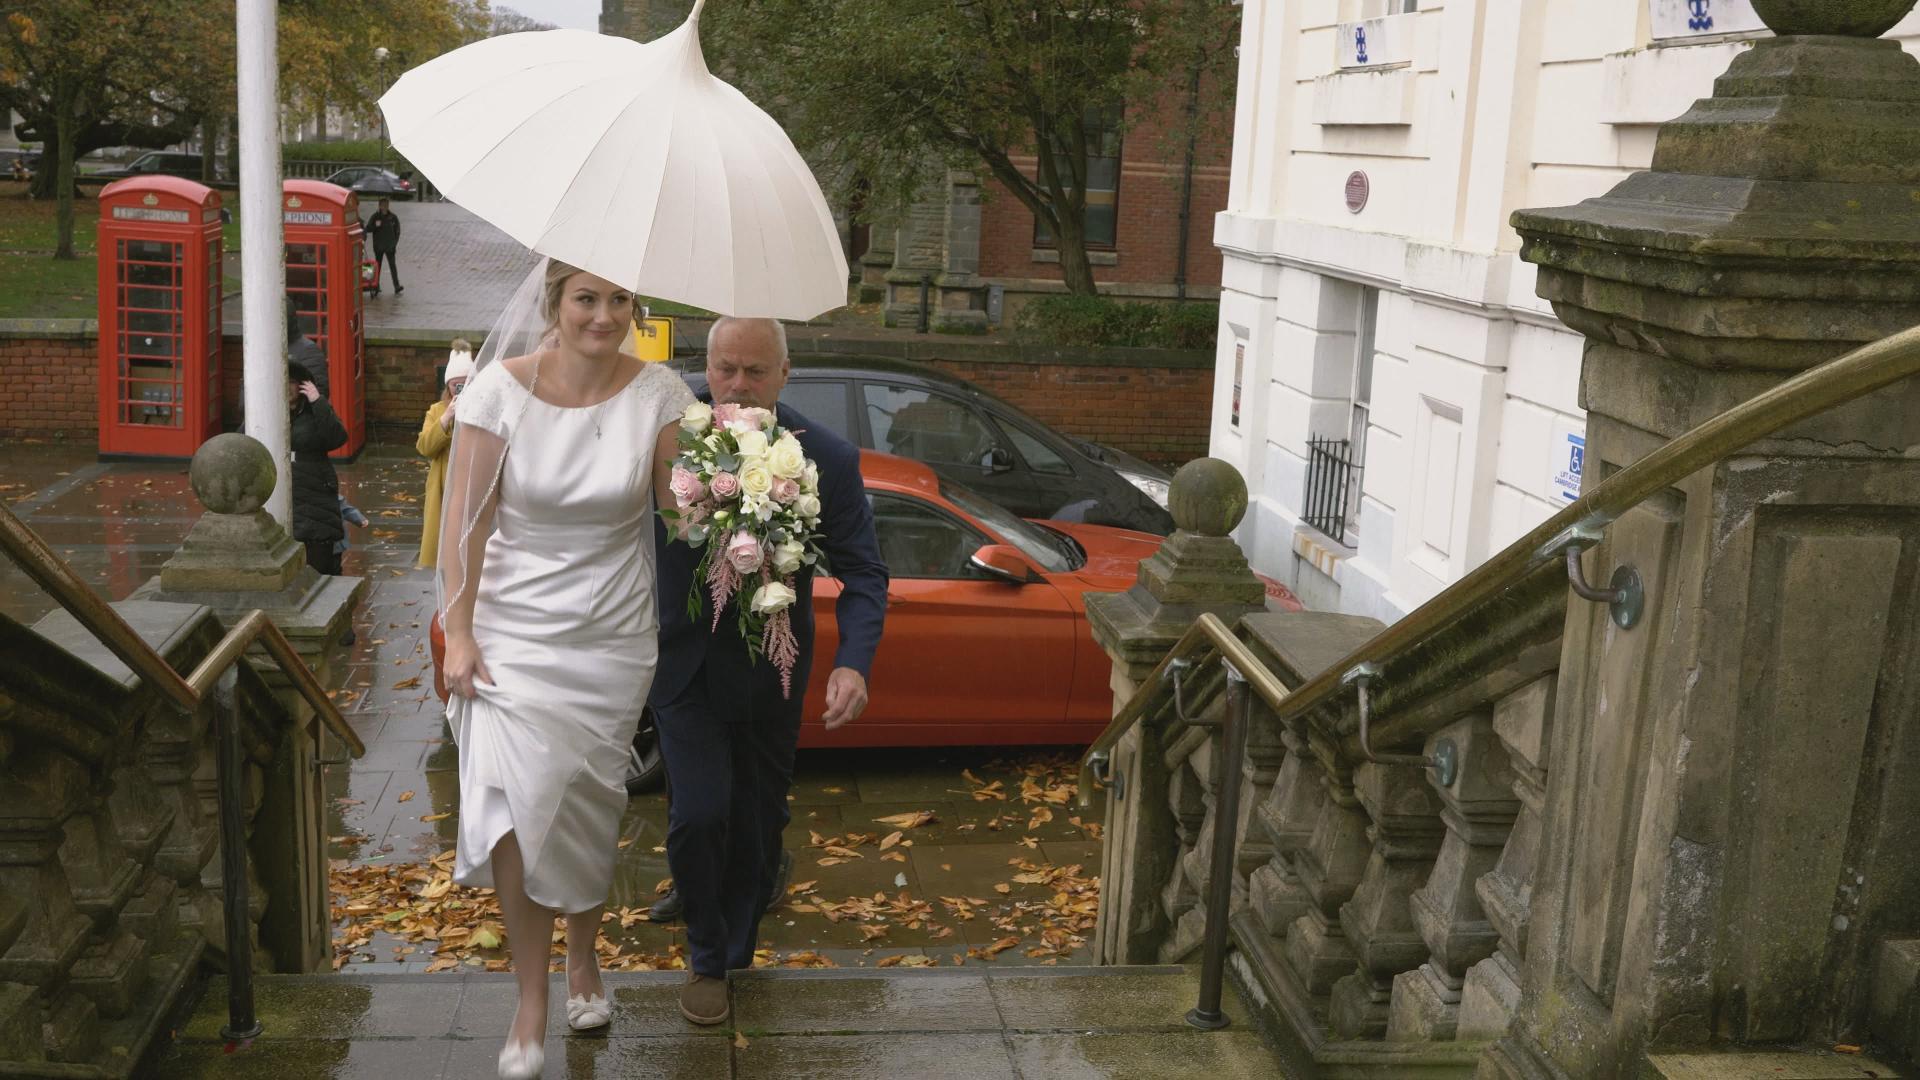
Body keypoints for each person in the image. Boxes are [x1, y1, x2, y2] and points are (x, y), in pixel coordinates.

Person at [438, 259, 695, 1080]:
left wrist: (744, 487)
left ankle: (584, 958)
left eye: (620, 299)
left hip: (612, 637)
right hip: (515, 635)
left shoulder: (660, 395)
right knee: (519, 811)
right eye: (588, 298)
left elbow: (677, 510)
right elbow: (464, 530)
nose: (604, 316)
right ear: (554, 303)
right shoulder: (496, 393)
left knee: (587, 803)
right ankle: (531, 999)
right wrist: (462, 631)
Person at [652, 316, 888, 1027]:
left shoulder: (829, 459)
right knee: (698, 814)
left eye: (755, 371)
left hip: (771, 674)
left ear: (786, 373)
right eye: (725, 367)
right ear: (707, 363)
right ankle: (705, 960)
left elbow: (866, 574)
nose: (737, 385)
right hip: (681, 666)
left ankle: (735, 945)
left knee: (757, 823)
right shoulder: (666, 437)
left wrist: (854, 663)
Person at [415, 339, 475, 568]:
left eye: (464, 384)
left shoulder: (482, 405)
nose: (458, 390)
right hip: (444, 486)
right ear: (447, 386)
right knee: (443, 549)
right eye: (454, 385)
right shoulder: (437, 411)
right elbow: (424, 447)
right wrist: (446, 418)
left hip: (470, 482)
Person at [288, 357, 349, 575]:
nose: (287, 387)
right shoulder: (266, 412)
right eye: (282, 381)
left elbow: (338, 437)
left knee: (320, 563)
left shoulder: (315, 411)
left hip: (315, 492)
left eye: (292, 382)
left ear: (302, 385)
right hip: (285, 490)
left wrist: (318, 401)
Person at [367, 197, 403, 295]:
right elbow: (368, 228)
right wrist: (375, 225)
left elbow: (397, 231)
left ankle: (397, 286)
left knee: (393, 266)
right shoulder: (375, 217)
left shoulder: (393, 217)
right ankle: (376, 285)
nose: (385, 207)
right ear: (379, 206)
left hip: (390, 247)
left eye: (386, 205)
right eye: (383, 205)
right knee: (377, 266)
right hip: (378, 246)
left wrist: (394, 243)